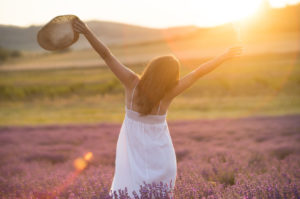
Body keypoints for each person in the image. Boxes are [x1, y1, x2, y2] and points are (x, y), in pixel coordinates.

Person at [72, 18, 242, 198]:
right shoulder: (168, 94)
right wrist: (223, 57)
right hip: (162, 158)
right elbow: (197, 73)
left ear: (151, 68)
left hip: (132, 156)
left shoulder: (132, 83)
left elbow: (106, 55)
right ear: (171, 78)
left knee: (129, 191)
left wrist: (88, 32)